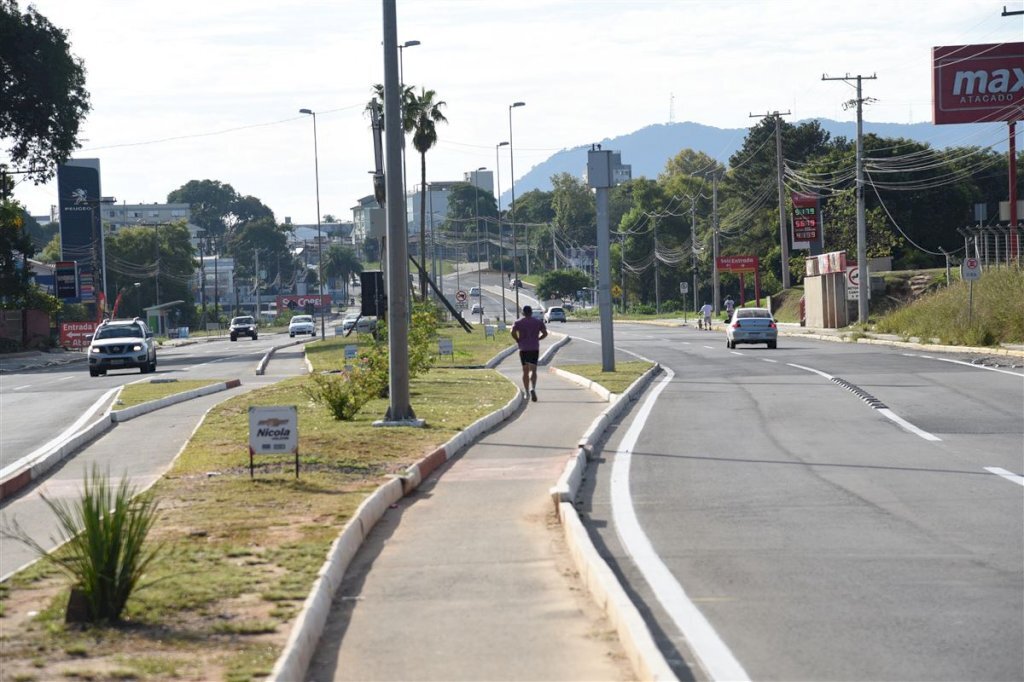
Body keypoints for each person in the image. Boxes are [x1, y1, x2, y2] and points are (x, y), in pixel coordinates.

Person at [511, 305, 548, 402]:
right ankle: (533, 388)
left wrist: (517, 339)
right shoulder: (538, 322)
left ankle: (527, 392)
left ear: (523, 313)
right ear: (531, 312)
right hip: (534, 348)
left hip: (523, 348)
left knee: (525, 371)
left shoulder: (518, 322)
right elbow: (545, 333)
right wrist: (538, 339)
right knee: (533, 370)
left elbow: (512, 332)